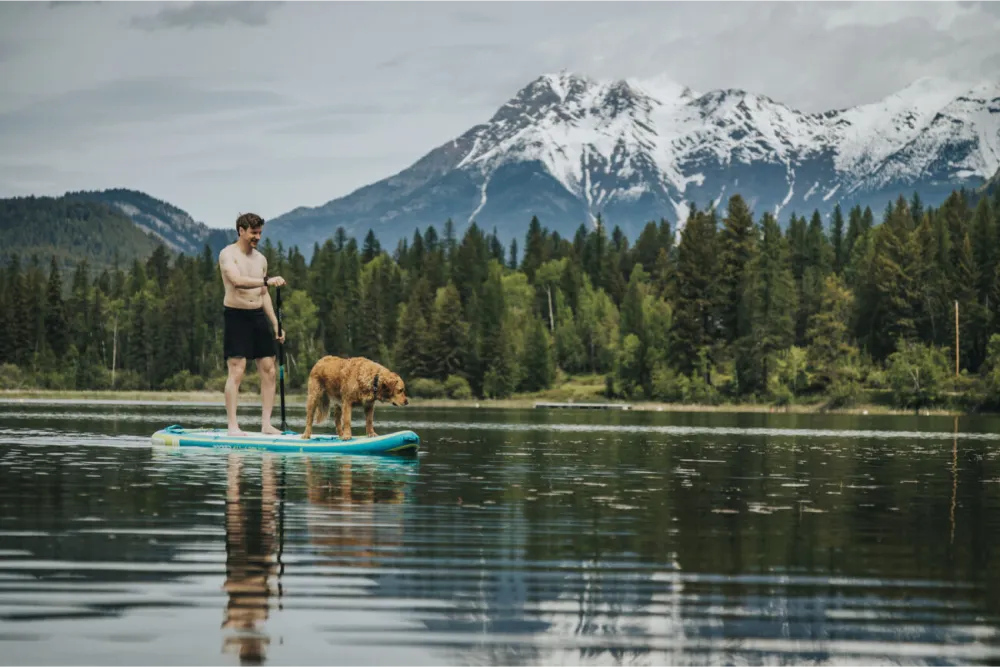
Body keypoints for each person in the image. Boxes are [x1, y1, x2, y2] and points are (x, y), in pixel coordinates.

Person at [218, 212, 287, 435]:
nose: (257, 237)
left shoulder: (261, 260)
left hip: (257, 316)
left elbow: (264, 294)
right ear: (241, 230)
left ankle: (266, 424)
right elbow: (237, 281)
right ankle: (233, 426)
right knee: (237, 370)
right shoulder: (228, 254)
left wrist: (276, 324)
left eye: (259, 233)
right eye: (253, 232)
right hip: (236, 315)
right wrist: (266, 280)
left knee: (268, 369)